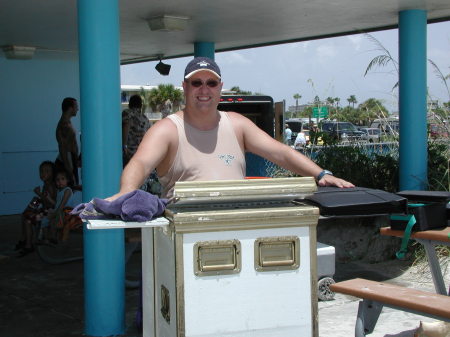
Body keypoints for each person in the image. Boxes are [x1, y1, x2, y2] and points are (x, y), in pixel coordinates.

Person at [108, 56, 353, 202]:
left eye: (211, 83)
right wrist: (125, 194)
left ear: (220, 87)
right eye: (197, 83)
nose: (204, 90)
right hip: (183, 231)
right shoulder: (167, 129)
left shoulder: (237, 124)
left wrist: (322, 175)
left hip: (235, 225)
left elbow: (281, 153)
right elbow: (140, 163)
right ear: (185, 86)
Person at [16, 161, 57, 257]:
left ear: (52, 173)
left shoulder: (51, 186)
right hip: (45, 209)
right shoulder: (46, 184)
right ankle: (24, 239)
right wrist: (36, 200)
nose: (43, 174)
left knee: (28, 220)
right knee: (25, 214)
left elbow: (50, 202)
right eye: (41, 171)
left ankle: (28, 245)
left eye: (47, 171)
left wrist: (38, 194)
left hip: (49, 212)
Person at [47, 170, 81, 242]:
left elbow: (62, 204)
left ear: (67, 180)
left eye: (62, 179)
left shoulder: (67, 190)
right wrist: (48, 198)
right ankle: (54, 238)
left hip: (66, 212)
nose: (60, 182)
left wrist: (54, 213)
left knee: (58, 225)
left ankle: (60, 240)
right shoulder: (59, 191)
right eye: (57, 180)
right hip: (60, 210)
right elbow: (57, 204)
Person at [55, 97, 80, 186]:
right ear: (70, 108)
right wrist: (69, 170)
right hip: (67, 161)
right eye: (76, 106)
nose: (77, 109)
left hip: (70, 159)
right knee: (69, 189)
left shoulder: (67, 123)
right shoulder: (64, 125)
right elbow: (63, 148)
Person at [122, 94, 151, 166]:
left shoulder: (127, 113)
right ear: (140, 105)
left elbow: (126, 125)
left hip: (129, 151)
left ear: (130, 104)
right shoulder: (145, 118)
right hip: (140, 153)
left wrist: (124, 145)